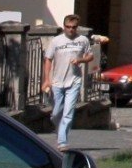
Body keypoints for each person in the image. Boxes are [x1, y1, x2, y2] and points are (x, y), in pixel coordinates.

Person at [42, 16, 106, 151]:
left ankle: (62, 141)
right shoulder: (56, 41)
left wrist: (80, 60)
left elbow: (90, 56)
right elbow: (48, 60)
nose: (71, 30)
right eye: (68, 27)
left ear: (77, 27)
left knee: (68, 112)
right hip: (57, 82)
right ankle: (59, 130)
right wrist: (47, 80)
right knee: (56, 113)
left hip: (74, 81)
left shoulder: (82, 40)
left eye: (74, 27)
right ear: (64, 26)